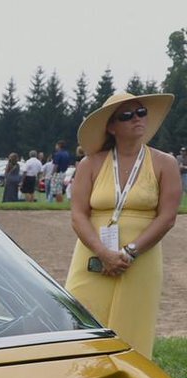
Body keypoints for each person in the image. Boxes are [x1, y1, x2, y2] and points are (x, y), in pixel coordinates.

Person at [64, 92, 181, 357]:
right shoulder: (90, 164)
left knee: (133, 326)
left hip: (140, 259)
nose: (137, 119)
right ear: (111, 126)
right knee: (80, 319)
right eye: (126, 115)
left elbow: (167, 217)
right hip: (92, 255)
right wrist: (103, 253)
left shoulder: (165, 163)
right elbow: (78, 215)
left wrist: (129, 252)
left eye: (141, 112)